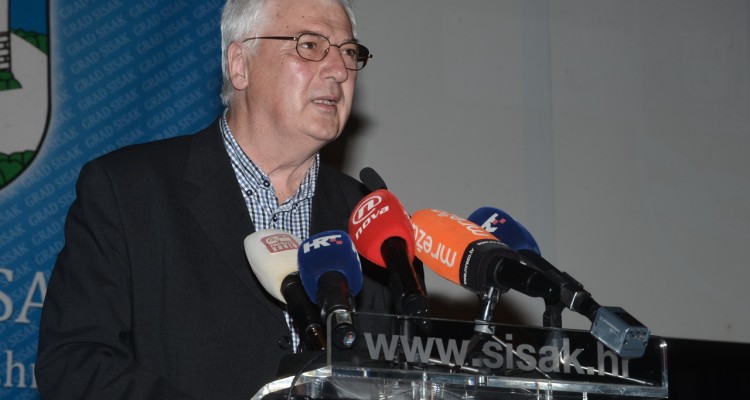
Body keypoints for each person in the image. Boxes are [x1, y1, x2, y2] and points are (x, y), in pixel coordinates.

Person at [35, 0, 399, 398]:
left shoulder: (370, 220)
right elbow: (75, 363)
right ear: (240, 64)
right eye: (310, 45)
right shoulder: (128, 191)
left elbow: (399, 374)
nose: (339, 70)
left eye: (348, 52)